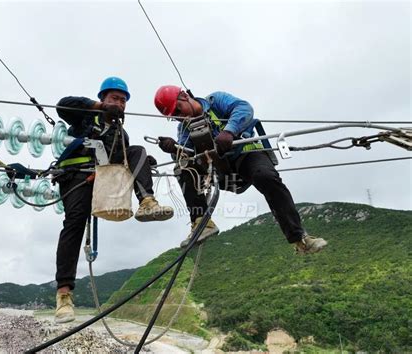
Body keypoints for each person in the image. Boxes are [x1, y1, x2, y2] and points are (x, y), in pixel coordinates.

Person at [53, 77, 173, 323]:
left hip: (106, 181)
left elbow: (122, 159)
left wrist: (141, 165)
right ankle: (64, 296)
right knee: (74, 222)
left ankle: (147, 202)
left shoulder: (121, 134)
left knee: (139, 152)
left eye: (123, 100)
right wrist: (98, 108)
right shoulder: (85, 117)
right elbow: (62, 106)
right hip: (78, 176)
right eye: (114, 98)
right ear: (103, 99)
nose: (119, 103)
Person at [153, 85, 327, 253]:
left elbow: (244, 108)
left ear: (184, 96)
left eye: (178, 110)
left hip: (246, 155)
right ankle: (202, 223)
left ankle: (299, 239)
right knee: (183, 169)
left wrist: (230, 130)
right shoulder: (184, 129)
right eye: (173, 116)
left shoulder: (216, 101)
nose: (179, 117)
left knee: (266, 177)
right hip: (222, 170)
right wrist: (175, 149)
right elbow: (188, 157)